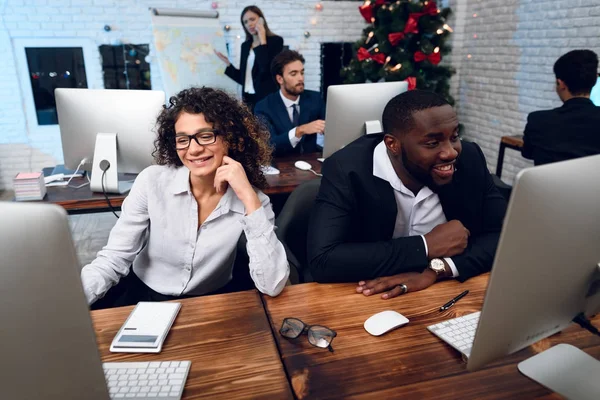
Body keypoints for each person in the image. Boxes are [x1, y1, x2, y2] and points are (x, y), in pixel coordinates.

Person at [81, 87, 290, 308]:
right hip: (147, 298)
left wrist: (249, 196)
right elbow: (114, 258)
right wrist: (69, 303)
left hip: (211, 303)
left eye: (206, 136)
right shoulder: (152, 182)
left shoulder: (254, 200)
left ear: (231, 138)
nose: (194, 149)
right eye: (183, 139)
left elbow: (272, 284)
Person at [307, 90, 507, 299]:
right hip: (366, 295)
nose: (451, 152)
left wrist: (439, 269)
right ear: (393, 144)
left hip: (449, 291)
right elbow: (323, 260)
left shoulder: (469, 158)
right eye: (432, 143)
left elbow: (504, 236)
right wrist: (426, 246)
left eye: (454, 136)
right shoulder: (346, 169)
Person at [522, 49, 600, 165]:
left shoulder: (537, 120)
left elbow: (527, 153)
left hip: (548, 183)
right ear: (594, 82)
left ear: (561, 83)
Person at [254, 50, 326, 156]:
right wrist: (299, 131)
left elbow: (331, 128)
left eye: (302, 72)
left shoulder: (315, 99)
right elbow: (268, 145)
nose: (301, 78)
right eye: (294, 74)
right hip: (281, 164)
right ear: (280, 79)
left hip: (311, 162)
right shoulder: (263, 107)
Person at [214, 5, 283, 111]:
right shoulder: (245, 46)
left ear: (261, 20)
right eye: (245, 22)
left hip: (266, 98)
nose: (249, 24)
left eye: (252, 19)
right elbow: (243, 78)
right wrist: (228, 63)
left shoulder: (276, 41)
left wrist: (262, 39)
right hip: (248, 98)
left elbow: (266, 70)